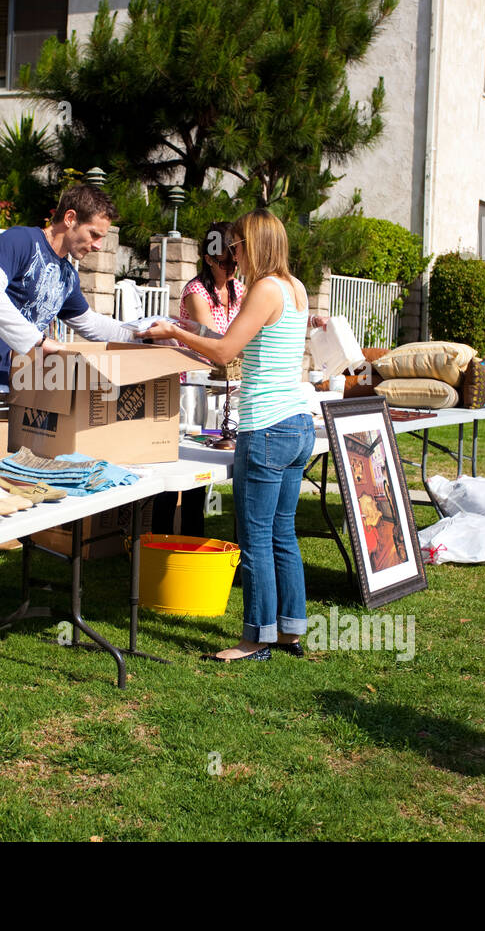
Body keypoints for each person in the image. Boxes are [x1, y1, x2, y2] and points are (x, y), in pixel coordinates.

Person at [0, 185, 138, 651]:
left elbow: (91, 325)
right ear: (69, 218)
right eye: (94, 235)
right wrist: (35, 341)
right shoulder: (20, 241)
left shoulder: (65, 274)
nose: (97, 246)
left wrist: (143, 334)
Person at [145, 210, 317, 661]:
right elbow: (229, 336)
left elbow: (224, 352)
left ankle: (254, 639)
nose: (233, 253)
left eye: (238, 244)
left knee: (256, 537)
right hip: (297, 424)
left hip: (266, 428)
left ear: (255, 243)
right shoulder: (293, 287)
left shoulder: (262, 289)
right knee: (282, 532)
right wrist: (188, 329)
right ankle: (289, 632)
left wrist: (176, 331)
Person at [152, 221, 245, 537]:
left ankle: (192, 541)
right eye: (224, 262)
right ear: (208, 258)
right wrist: (238, 343)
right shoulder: (196, 291)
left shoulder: (238, 289)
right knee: (181, 466)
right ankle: (160, 539)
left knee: (202, 475)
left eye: (235, 261)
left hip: (221, 386)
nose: (231, 268)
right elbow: (212, 338)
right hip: (190, 386)